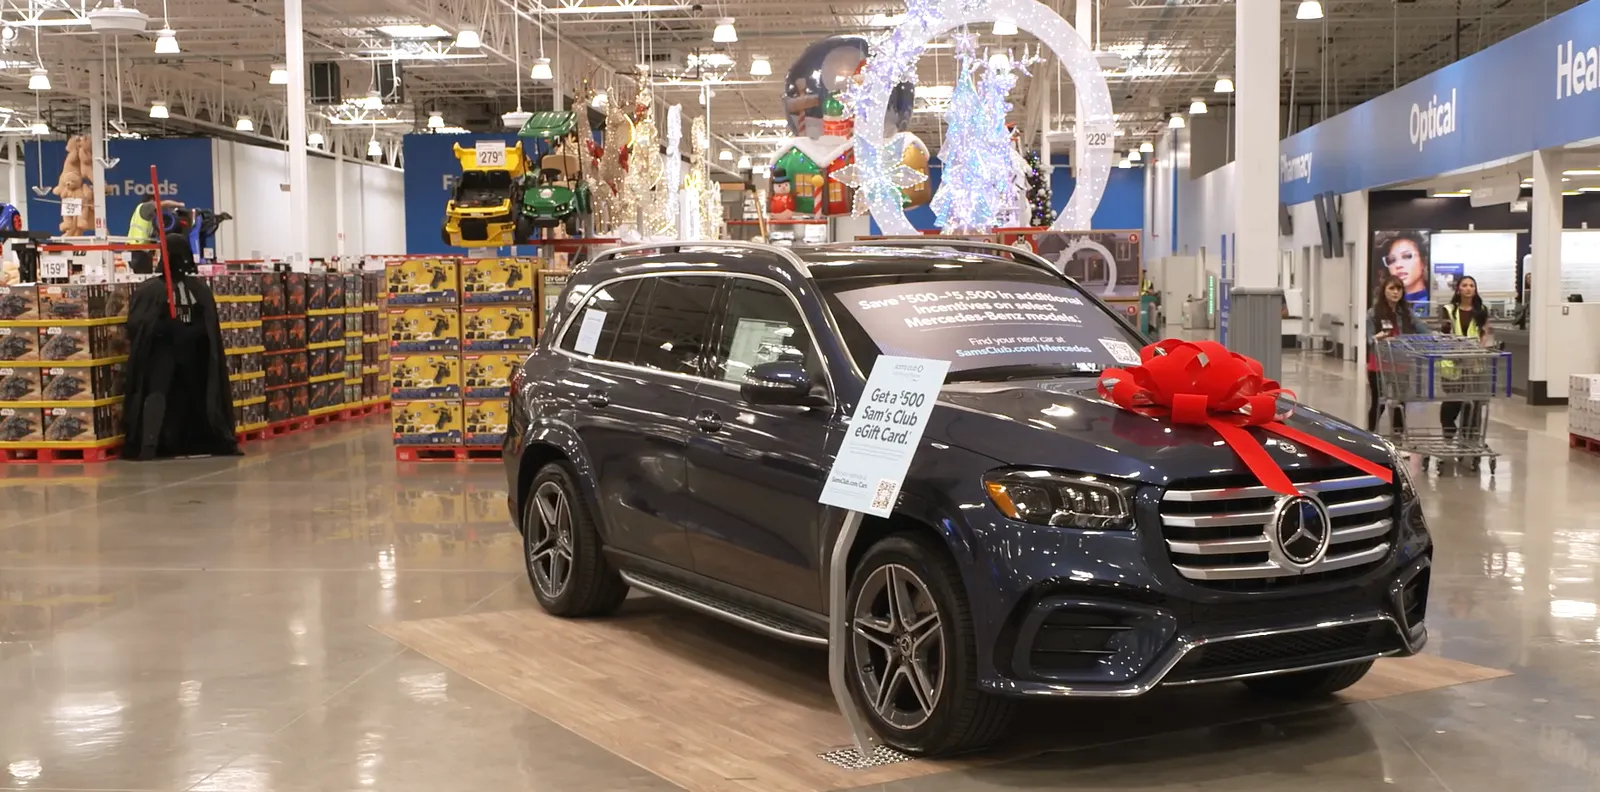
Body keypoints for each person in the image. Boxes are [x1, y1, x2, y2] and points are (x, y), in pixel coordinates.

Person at [121, 232, 241, 460]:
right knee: (158, 392)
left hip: (190, 351)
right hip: (163, 350)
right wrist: (164, 325)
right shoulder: (154, 290)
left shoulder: (196, 289)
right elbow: (138, 324)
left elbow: (208, 325)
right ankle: (150, 444)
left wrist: (186, 331)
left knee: (194, 392)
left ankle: (180, 440)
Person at [1439, 276, 1492, 446]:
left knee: (1473, 403)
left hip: (1474, 363)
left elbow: (1485, 334)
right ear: (1458, 289)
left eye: (1471, 285)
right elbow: (1444, 332)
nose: (1468, 288)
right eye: (1465, 285)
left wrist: (1481, 350)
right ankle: (1449, 430)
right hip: (1453, 363)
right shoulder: (1448, 309)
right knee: (1452, 402)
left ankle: (1470, 438)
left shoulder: (1481, 310)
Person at [1367, 275, 1417, 434]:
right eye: (1391, 288)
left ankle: (1398, 438)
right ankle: (1371, 435)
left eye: (1399, 289)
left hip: (1401, 364)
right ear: (1384, 291)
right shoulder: (1373, 313)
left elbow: (1421, 328)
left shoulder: (1406, 313)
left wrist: (1436, 335)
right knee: (1378, 402)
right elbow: (1369, 338)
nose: (1396, 292)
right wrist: (1377, 337)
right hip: (1379, 364)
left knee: (1400, 403)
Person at [126, 197, 185, 274]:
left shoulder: (144, 217)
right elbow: (165, 203)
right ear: (151, 201)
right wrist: (180, 205)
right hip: (139, 249)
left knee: (144, 276)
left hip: (137, 248)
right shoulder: (146, 207)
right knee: (144, 278)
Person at [1378, 231, 1430, 307]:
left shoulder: (1433, 302)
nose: (1398, 265)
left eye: (1407, 256)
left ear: (1423, 261)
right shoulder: (1382, 306)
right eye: (1391, 260)